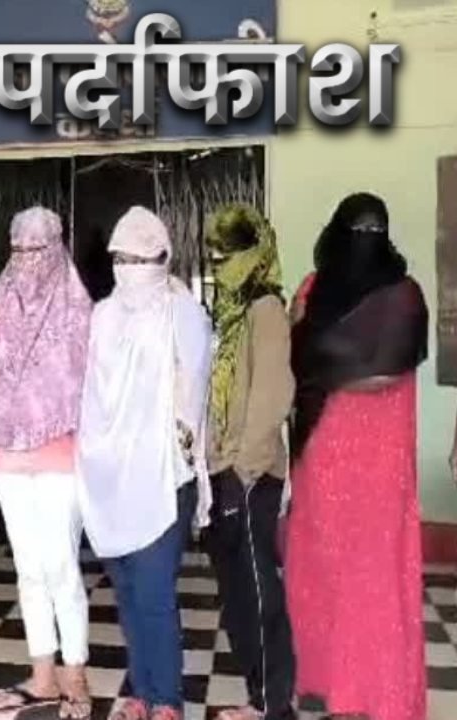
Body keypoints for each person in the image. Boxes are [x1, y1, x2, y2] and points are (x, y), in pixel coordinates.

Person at [285, 192, 428, 720]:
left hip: (332, 455)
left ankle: (334, 687)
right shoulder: (407, 296)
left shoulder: (314, 290)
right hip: (372, 465)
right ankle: (364, 690)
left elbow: (302, 358)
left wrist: (318, 346)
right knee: (370, 577)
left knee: (338, 573)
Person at [77, 206, 213, 720]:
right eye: (121, 259)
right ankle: (140, 690)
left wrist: (177, 444)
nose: (129, 269)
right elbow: (91, 392)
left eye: (140, 260)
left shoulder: (182, 313)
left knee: (155, 592)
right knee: (129, 592)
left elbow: (192, 389)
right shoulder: (103, 315)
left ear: (162, 259)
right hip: (110, 474)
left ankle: (167, 699)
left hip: (163, 473)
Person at [0, 207, 93, 720]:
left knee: (61, 564)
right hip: (6, 454)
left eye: (37, 249)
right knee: (29, 569)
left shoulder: (78, 309)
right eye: (18, 250)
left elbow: (87, 383)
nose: (27, 260)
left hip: (60, 453)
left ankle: (75, 674)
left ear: (56, 248)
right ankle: (42, 675)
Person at [202, 205, 296, 720]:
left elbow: (272, 396)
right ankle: (257, 696)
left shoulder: (265, 309)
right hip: (224, 469)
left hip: (252, 474)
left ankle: (275, 704)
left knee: (259, 593)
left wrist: (243, 470)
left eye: (226, 256)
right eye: (214, 256)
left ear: (252, 255)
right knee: (237, 593)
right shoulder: (231, 310)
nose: (218, 265)